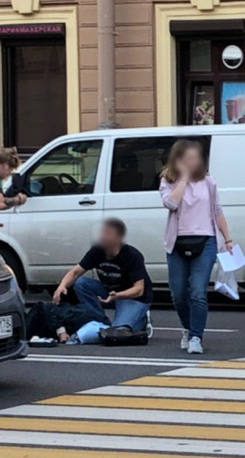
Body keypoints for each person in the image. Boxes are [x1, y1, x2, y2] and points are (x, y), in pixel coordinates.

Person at [160, 139, 232, 354]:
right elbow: (171, 204)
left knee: (198, 292)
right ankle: (187, 327)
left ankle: (195, 337)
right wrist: (183, 179)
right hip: (177, 242)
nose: (193, 161)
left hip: (206, 240)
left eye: (196, 157)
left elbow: (218, 210)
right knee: (179, 293)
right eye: (188, 158)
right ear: (178, 160)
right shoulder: (168, 180)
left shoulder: (209, 181)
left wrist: (228, 239)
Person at [52, 217, 153, 336]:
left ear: (119, 238)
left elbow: (139, 290)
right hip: (109, 293)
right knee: (81, 283)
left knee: (118, 332)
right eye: (102, 232)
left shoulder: (132, 255)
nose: (103, 236)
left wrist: (117, 296)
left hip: (133, 297)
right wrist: (62, 286)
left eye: (108, 233)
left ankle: (142, 319)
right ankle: (98, 320)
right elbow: (76, 272)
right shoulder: (97, 250)